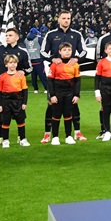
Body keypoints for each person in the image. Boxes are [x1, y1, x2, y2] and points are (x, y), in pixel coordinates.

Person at [42, 11, 86, 140]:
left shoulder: (76, 34)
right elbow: (42, 51)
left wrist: (77, 58)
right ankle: (47, 133)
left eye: (68, 18)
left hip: (71, 74)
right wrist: (52, 59)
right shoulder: (51, 34)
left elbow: (83, 51)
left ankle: (77, 132)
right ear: (59, 20)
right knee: (51, 102)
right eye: (64, 18)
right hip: (55, 73)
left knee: (73, 103)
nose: (66, 20)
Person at [45, 42, 82, 145]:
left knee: (68, 114)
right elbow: (50, 81)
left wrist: (76, 94)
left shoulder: (75, 64)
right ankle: (55, 137)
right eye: (64, 50)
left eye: (69, 50)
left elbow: (78, 81)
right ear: (60, 52)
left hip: (70, 93)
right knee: (56, 114)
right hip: (57, 93)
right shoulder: (55, 64)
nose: (67, 52)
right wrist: (52, 95)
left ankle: (68, 136)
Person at [0, 54, 29, 148]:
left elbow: (25, 90)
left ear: (17, 64)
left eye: (14, 63)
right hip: (6, 101)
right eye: (10, 63)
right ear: (6, 65)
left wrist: (24, 103)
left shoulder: (20, 76)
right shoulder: (2, 77)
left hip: (18, 101)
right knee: (5, 121)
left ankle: (23, 139)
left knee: (20, 120)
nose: (12, 65)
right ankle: (5, 140)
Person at [25, 27, 47, 94]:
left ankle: (35, 89)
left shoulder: (25, 40)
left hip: (30, 61)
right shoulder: (39, 39)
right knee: (42, 76)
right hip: (38, 60)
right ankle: (46, 88)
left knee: (33, 76)